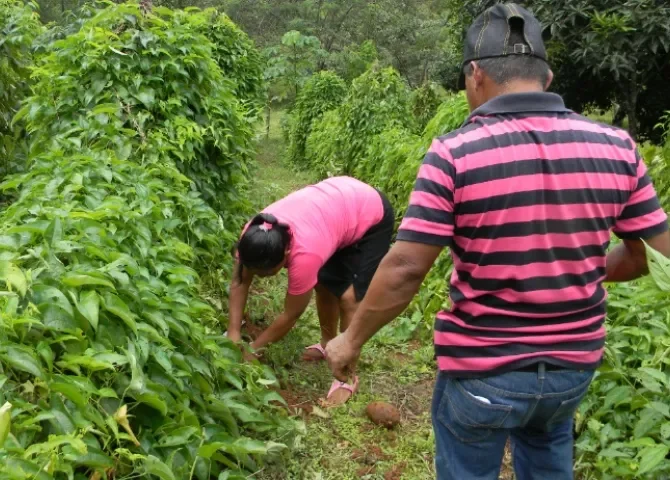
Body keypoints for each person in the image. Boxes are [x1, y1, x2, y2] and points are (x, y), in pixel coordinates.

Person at [324, 3, 670, 479]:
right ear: (546, 77)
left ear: (474, 76)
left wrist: (351, 340)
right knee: (548, 453)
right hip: (572, 372)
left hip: (484, 370)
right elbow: (654, 255)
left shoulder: (455, 153)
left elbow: (406, 268)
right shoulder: (617, 147)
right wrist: (582, 268)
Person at [227, 175, 394, 404]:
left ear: (286, 255)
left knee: (349, 299)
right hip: (335, 206)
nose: (258, 277)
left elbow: (290, 314)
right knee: (323, 283)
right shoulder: (254, 234)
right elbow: (239, 281)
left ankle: (346, 376)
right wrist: (234, 334)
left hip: (369, 214)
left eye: (265, 273)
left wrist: (253, 349)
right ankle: (327, 345)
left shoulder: (305, 255)